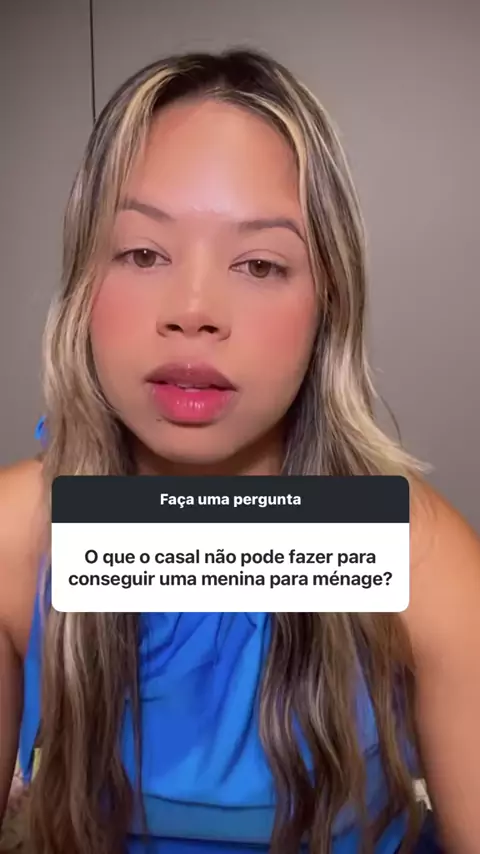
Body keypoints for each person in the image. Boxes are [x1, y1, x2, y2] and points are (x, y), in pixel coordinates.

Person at [0, 48, 479, 854]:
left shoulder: (420, 557)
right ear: (83, 283)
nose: (194, 309)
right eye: (143, 253)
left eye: (260, 264)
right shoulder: (17, 537)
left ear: (328, 306)